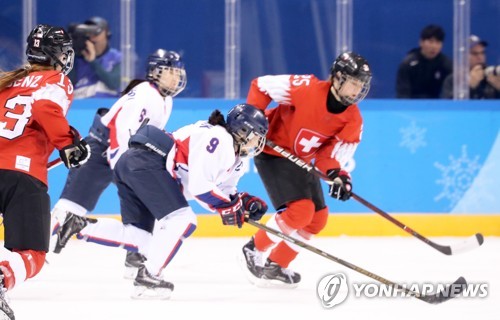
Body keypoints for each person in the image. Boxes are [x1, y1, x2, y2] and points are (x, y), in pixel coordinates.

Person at [51, 103, 269, 299]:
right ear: (242, 130)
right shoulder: (219, 138)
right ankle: (148, 277)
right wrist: (230, 207)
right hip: (146, 162)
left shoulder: (236, 159)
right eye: (256, 135)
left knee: (143, 240)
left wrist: (242, 201)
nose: (258, 141)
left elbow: (223, 191)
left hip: (135, 165)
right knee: (183, 219)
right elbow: (201, 187)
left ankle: (78, 225)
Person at [240, 52, 372, 288]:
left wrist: (338, 176)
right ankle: (253, 248)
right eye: (354, 82)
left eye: (361, 85)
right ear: (338, 78)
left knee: (317, 219)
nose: (357, 90)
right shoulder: (305, 89)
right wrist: (253, 119)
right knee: (301, 211)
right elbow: (260, 86)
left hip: (300, 160)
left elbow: (328, 156)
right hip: (272, 151)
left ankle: (276, 265)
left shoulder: (352, 120)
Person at [51, 49, 187, 279]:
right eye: (170, 72)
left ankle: (135, 257)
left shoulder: (166, 100)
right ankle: (32, 249)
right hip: (100, 152)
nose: (176, 77)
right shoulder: (144, 93)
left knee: (145, 205)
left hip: (126, 156)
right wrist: (128, 170)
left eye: (178, 72)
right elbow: (120, 131)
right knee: (66, 212)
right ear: (155, 73)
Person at [0, 24, 89, 319]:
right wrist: (67, 143)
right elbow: (44, 109)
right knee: (32, 255)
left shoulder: (8, 83)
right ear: (57, 55)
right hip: (22, 178)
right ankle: (2, 278)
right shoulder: (55, 80)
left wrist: (68, 136)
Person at [69, 16, 121, 99]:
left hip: (109, 105)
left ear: (107, 33)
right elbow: (68, 85)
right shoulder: (77, 59)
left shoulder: (117, 57)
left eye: (95, 32)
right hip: (80, 107)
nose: (92, 37)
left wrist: (93, 61)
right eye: (88, 33)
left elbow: (114, 83)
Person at [396, 24, 452, 98]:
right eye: (431, 41)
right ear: (421, 42)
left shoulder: (447, 64)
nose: (434, 46)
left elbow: (449, 94)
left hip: (437, 107)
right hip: (412, 106)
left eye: (438, 42)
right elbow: (402, 94)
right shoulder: (408, 64)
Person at [441, 35, 500, 99]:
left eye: (482, 53)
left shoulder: (493, 76)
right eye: (475, 53)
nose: (480, 57)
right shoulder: (453, 80)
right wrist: (470, 86)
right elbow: (448, 105)